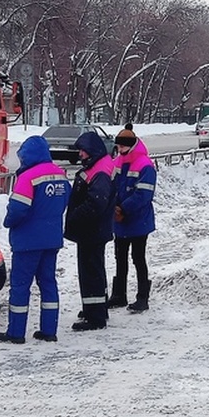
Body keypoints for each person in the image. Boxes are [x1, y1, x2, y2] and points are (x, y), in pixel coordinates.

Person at [0, 135, 70, 344]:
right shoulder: (61, 175)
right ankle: (49, 330)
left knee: (20, 286)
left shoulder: (28, 177)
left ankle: (16, 332)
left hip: (28, 240)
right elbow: (65, 202)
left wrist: (8, 221)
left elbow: (18, 209)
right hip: (52, 238)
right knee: (48, 283)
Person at [64, 130, 116, 331]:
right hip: (96, 229)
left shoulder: (99, 171)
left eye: (83, 151)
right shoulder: (100, 165)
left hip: (91, 230)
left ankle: (94, 317)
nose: (80, 155)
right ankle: (96, 308)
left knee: (90, 273)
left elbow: (96, 203)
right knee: (95, 270)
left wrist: (76, 215)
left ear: (91, 151)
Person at [111, 124, 157, 313]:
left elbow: (143, 195)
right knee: (119, 258)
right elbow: (111, 185)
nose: (119, 150)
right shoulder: (118, 161)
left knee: (138, 258)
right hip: (120, 219)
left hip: (138, 220)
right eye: (118, 147)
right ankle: (119, 295)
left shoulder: (145, 164)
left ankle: (142, 297)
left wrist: (122, 209)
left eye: (121, 147)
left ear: (130, 145)